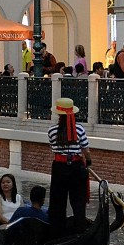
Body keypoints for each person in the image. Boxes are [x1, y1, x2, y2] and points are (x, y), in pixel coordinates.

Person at [47, 97, 92, 236]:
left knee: (57, 202)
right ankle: (80, 231)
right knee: (78, 202)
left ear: (58, 114)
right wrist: (88, 161)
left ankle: (57, 232)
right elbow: (86, 150)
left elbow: (54, 149)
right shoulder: (79, 129)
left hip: (59, 167)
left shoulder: (51, 131)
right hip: (76, 168)